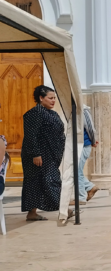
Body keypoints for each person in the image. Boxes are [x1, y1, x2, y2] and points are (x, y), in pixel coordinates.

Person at [21, 85, 70, 221]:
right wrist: (35, 154)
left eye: (54, 98)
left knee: (37, 183)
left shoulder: (53, 113)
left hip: (50, 155)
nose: (53, 101)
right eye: (50, 98)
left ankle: (32, 213)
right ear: (41, 98)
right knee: (50, 181)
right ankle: (64, 209)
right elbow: (31, 135)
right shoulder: (35, 113)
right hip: (38, 155)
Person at [76, 104, 99, 204]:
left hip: (84, 145)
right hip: (75, 145)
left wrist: (93, 141)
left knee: (77, 171)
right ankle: (90, 187)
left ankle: (81, 197)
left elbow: (90, 128)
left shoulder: (83, 110)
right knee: (75, 171)